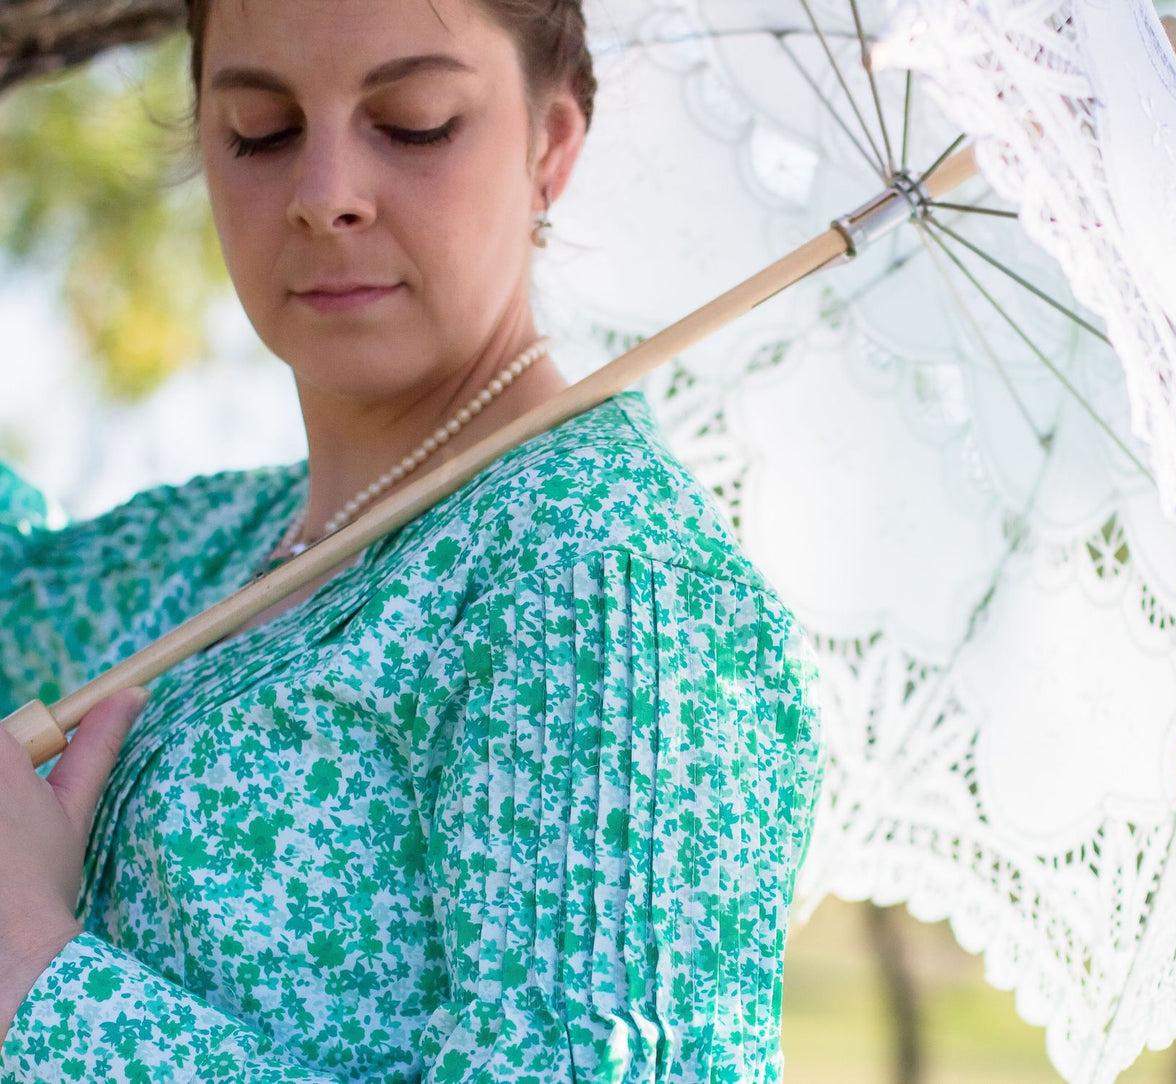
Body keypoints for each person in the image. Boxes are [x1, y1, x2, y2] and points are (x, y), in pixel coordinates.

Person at [0, 0, 826, 1079]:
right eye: (260, 128)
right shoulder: (212, 543)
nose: (324, 195)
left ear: (550, 148)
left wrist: (37, 979)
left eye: (416, 120)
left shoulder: (604, 584)